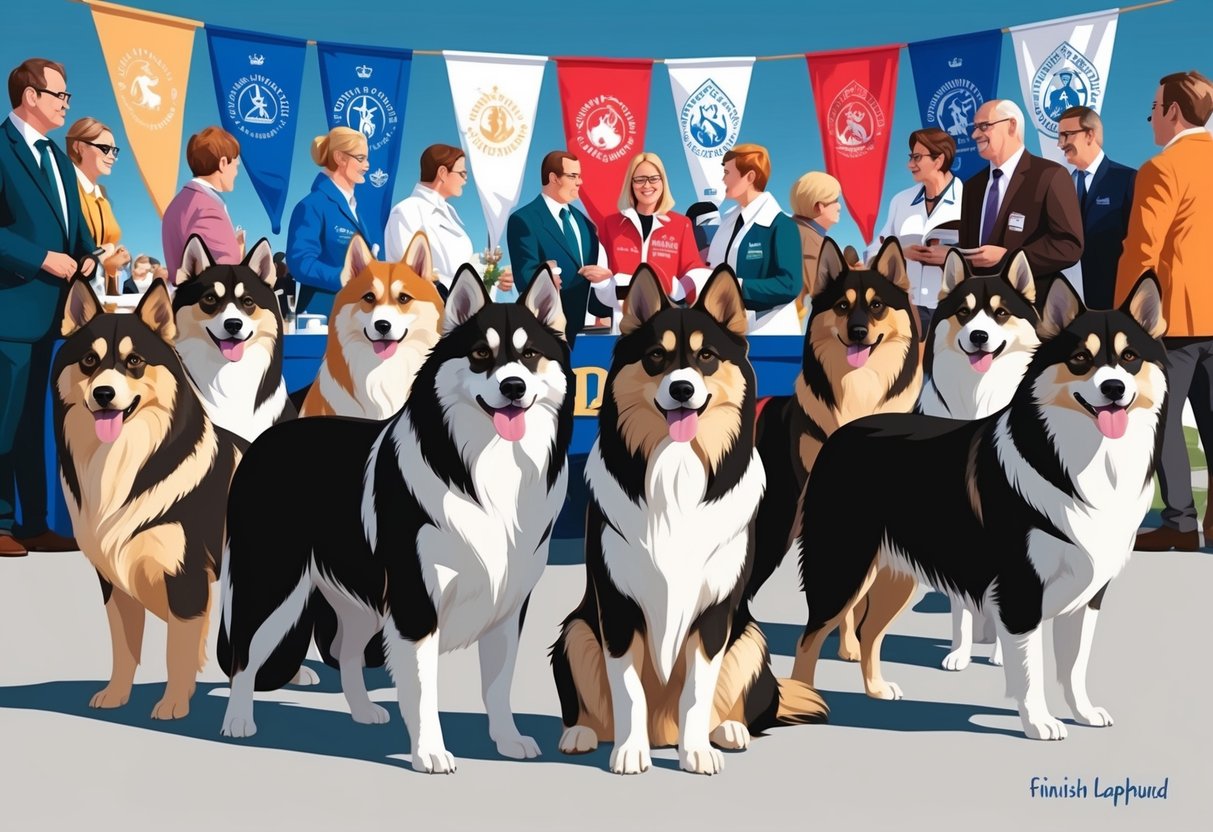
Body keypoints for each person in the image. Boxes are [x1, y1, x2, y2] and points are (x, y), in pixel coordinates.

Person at [0, 58, 97, 556]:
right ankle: (0, 524)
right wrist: (41, 258)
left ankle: (32, 523)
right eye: (59, 95)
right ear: (29, 97)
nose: (65, 103)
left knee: (36, 424)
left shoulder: (59, 161)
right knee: (3, 418)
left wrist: (86, 259)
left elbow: (73, 228)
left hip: (56, 315)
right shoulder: (1, 147)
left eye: (66, 96)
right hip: (10, 312)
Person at [1114, 70, 1213, 552]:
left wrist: (1122, 319)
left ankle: (1180, 522)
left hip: (1175, 321)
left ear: (1173, 111)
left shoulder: (1161, 168)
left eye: (1153, 109)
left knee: (1163, 421)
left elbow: (1142, 251)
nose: (1152, 118)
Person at [956, 99, 1083, 302]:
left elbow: (1069, 246)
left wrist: (1009, 257)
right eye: (974, 127)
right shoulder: (972, 186)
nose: (975, 135)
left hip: (1028, 309)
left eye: (984, 126)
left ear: (1012, 125)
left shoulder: (1050, 176)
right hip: (977, 308)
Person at [506, 150, 613, 342]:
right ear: (553, 178)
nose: (579, 182)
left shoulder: (586, 224)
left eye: (580, 176)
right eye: (573, 176)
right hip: (543, 329)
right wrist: (544, 276)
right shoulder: (524, 220)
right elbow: (523, 276)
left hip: (583, 331)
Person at [384, 143, 512, 298]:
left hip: (458, 309)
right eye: (462, 174)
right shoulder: (407, 211)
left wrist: (493, 275)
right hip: (430, 310)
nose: (465, 181)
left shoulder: (449, 215)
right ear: (443, 173)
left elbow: (460, 269)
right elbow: (405, 271)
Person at [870, 128, 963, 334]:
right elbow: (874, 250)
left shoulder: (971, 199)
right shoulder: (900, 201)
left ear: (938, 160)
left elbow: (987, 252)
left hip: (954, 308)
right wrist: (900, 252)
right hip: (907, 308)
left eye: (917, 158)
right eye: (911, 157)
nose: (910, 165)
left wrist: (952, 254)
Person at [706, 143, 801, 334]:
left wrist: (736, 287)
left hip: (768, 333)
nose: (723, 179)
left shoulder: (781, 225)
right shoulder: (726, 222)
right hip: (726, 329)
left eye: (727, 173)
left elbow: (789, 284)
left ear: (749, 177)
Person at [285, 127, 375, 317]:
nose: (367, 165)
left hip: (355, 314)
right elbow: (300, 261)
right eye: (361, 158)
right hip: (322, 314)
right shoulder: (312, 205)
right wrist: (343, 277)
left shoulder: (355, 210)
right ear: (340, 158)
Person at [599, 151, 705, 310]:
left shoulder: (680, 224)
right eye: (640, 179)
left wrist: (676, 290)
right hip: (623, 315)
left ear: (663, 182)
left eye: (653, 179)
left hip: (665, 316)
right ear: (631, 184)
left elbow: (694, 268)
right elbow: (603, 270)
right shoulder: (612, 224)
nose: (647, 185)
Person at [1056, 106, 1136, 309]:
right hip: (1067, 301)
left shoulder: (1127, 180)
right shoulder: (1057, 183)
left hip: (1111, 300)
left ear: (1089, 135)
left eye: (1066, 135)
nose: (1060, 144)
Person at [162, 126, 244, 282]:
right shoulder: (207, 207)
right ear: (223, 163)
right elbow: (221, 269)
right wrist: (238, 251)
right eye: (236, 166)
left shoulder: (177, 204)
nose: (236, 173)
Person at [67, 116, 129, 295]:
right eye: (104, 149)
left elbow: (106, 260)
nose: (112, 157)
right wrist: (102, 252)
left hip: (98, 292)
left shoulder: (102, 195)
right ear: (79, 147)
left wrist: (111, 263)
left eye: (114, 151)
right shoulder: (66, 186)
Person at [789, 170, 844, 324]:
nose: (839, 206)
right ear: (819, 206)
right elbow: (822, 292)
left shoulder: (788, 229)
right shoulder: (813, 244)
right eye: (835, 200)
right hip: (795, 330)